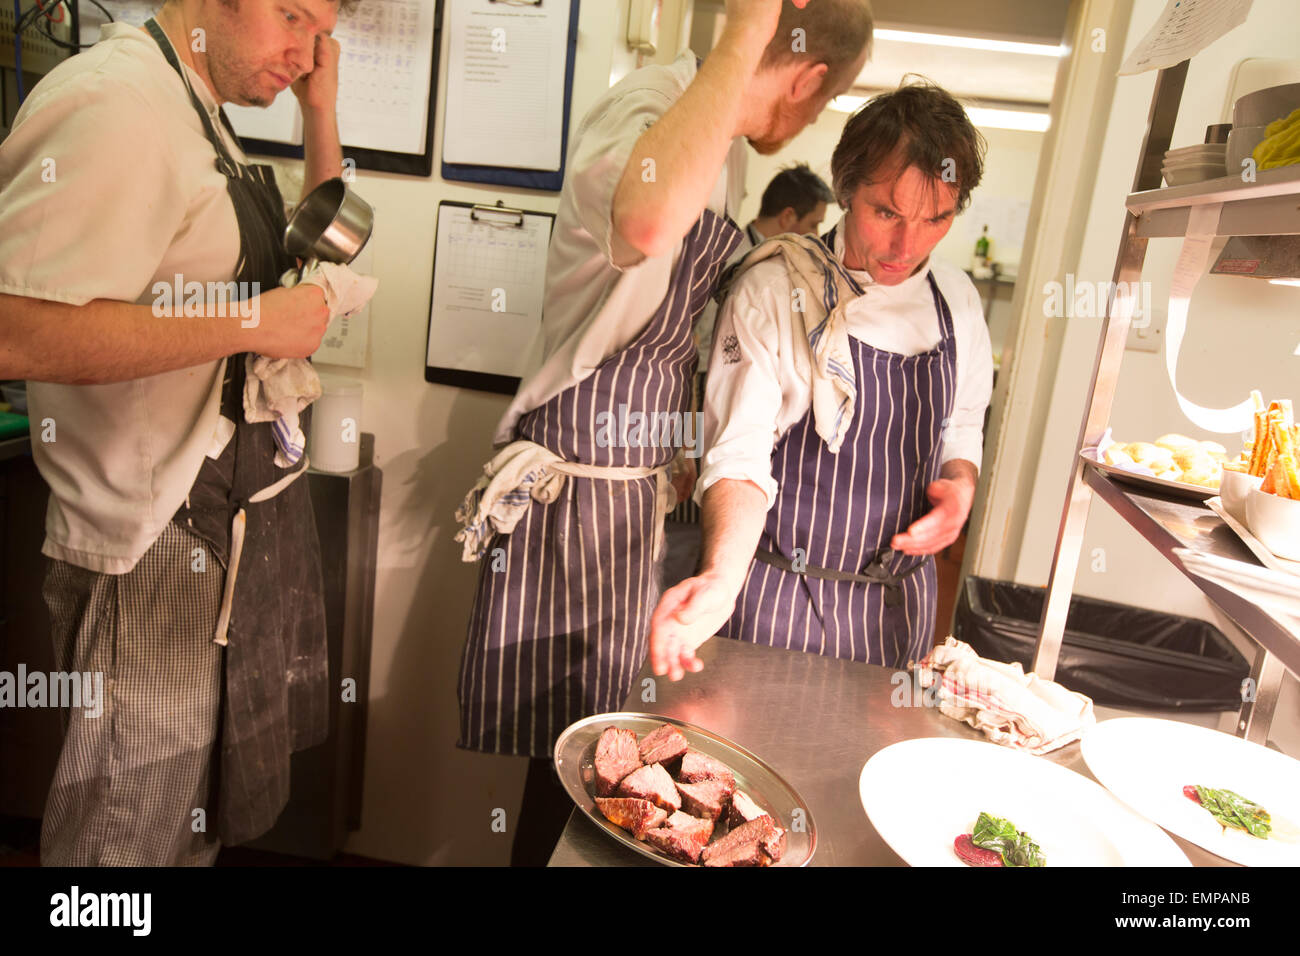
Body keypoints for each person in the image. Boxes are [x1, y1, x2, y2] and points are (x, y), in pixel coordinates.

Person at [453, 0, 874, 865]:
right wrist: (747, 30)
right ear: (808, 80)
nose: (807, 124)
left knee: (604, 764)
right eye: (821, 107)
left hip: (625, 493)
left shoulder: (717, 156)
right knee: (569, 763)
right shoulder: (655, 104)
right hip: (575, 494)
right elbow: (644, 224)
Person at [0, 0, 362, 865]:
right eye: (292, 17)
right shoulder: (114, 102)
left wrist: (320, 111)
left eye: (321, 29)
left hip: (225, 532)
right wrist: (250, 323)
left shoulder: (197, 108)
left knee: (190, 826)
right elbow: (18, 328)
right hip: (152, 544)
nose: (305, 50)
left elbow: (324, 244)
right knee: (120, 843)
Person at [649, 81, 994, 680]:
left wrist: (960, 490)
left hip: (895, 611)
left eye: (934, 219)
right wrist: (721, 580)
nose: (906, 246)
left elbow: (961, 428)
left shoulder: (956, 302)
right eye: (886, 212)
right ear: (845, 190)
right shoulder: (777, 289)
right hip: (776, 602)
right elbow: (738, 452)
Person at [696, 162, 833, 366]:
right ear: (787, 216)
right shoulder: (728, 261)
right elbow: (709, 341)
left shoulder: (782, 260)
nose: (816, 235)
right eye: (813, 224)